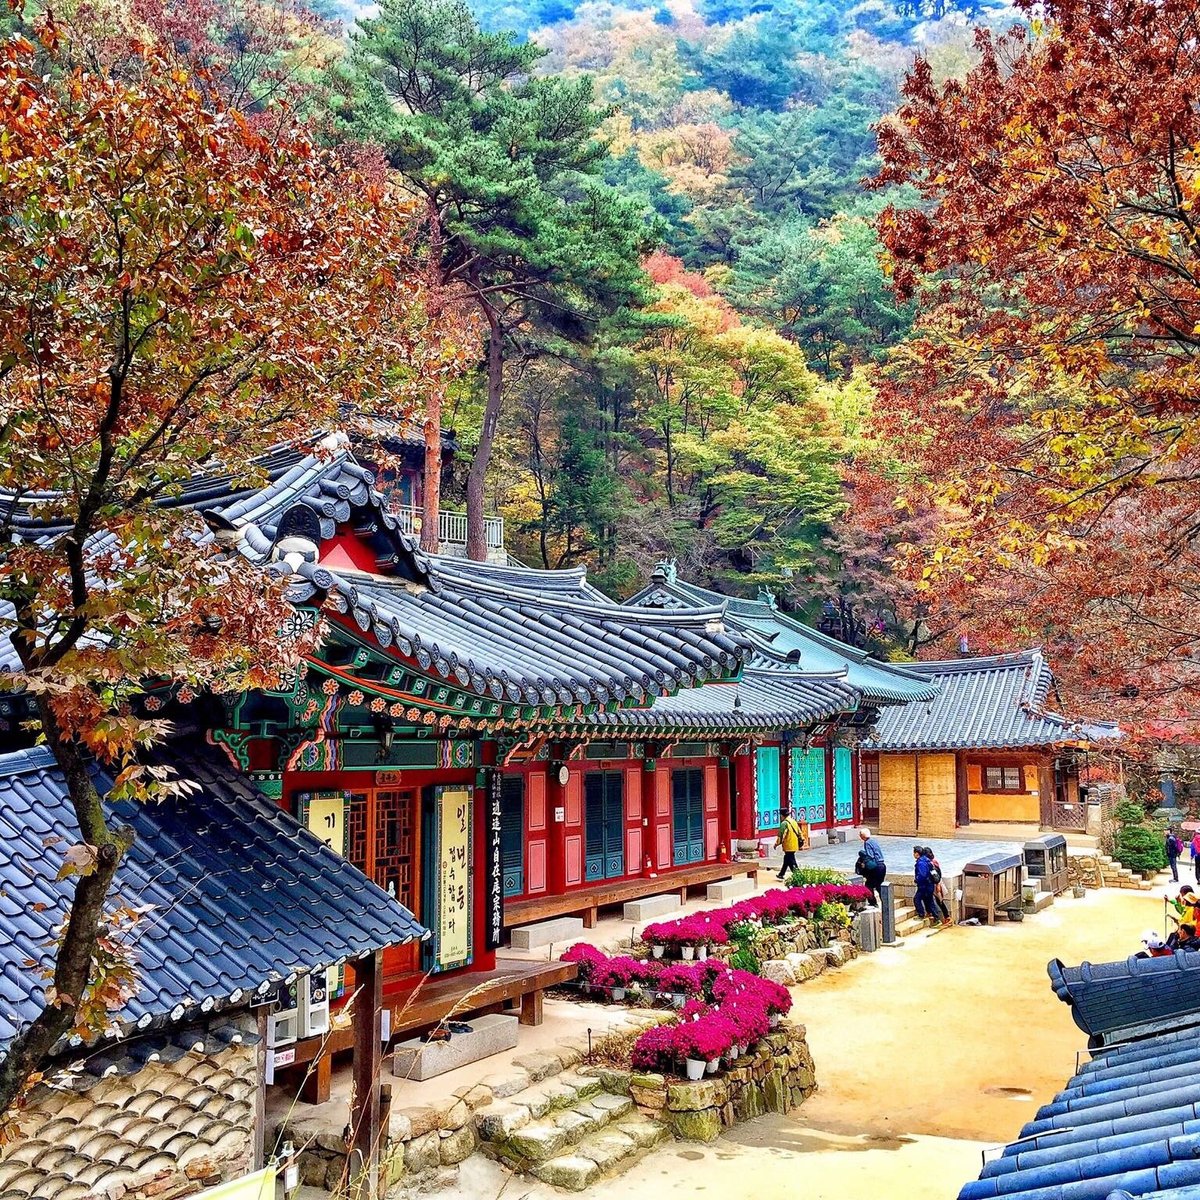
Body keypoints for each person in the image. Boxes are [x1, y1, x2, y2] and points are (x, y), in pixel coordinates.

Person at [922, 846, 953, 926]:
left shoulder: (931, 864)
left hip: (936, 885)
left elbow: (936, 876)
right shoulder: (934, 862)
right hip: (937, 883)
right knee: (938, 901)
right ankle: (944, 917)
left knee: (939, 901)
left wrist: (937, 885)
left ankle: (947, 917)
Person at [857, 827, 887, 904]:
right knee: (879, 885)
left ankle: (873, 903)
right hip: (882, 866)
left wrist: (864, 862)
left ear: (862, 836)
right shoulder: (873, 841)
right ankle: (885, 902)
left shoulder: (867, 843)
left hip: (876, 866)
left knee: (868, 885)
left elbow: (871, 855)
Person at [912, 845, 939, 926]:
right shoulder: (927, 860)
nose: (913, 855)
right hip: (930, 884)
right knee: (930, 901)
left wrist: (917, 879)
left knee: (917, 899)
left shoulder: (921, 863)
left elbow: (922, 875)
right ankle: (936, 918)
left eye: (914, 853)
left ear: (917, 854)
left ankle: (921, 914)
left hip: (924, 885)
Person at [775, 808, 803, 881]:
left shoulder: (784, 823)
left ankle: (798, 875)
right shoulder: (793, 821)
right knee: (787, 859)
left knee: (791, 861)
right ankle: (781, 873)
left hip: (788, 845)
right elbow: (799, 832)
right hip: (794, 844)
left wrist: (776, 844)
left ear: (781, 815)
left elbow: (781, 836)